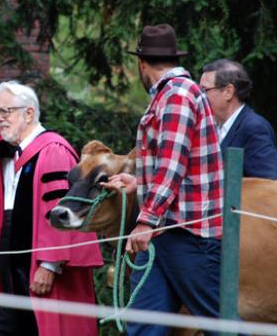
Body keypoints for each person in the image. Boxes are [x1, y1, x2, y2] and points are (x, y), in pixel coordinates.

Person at [0, 39, 102, 336]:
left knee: (39, 326)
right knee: (4, 324)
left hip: (38, 257)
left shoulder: (53, 150)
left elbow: (62, 211)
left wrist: (49, 266)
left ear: (28, 114)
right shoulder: (7, 147)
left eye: (6, 112)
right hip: (7, 249)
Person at [101, 24, 224, 335]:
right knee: (143, 326)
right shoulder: (170, 95)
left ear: (142, 63)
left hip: (189, 235)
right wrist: (138, 184)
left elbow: (171, 165)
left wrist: (145, 221)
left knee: (220, 324)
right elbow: (172, 166)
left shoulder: (177, 95)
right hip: (166, 234)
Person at [200, 59, 277, 179]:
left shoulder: (254, 128)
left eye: (204, 90)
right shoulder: (214, 127)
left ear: (228, 92)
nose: (199, 97)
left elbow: (271, 186)